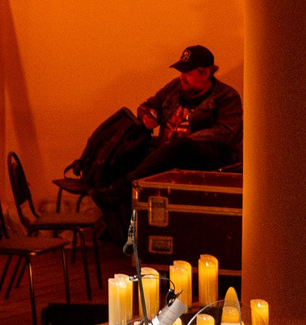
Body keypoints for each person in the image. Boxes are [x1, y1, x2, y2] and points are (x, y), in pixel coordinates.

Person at [68, 46, 244, 242]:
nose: (182, 77)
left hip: (204, 157)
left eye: (187, 73)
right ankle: (120, 226)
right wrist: (148, 116)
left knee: (179, 146)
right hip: (165, 151)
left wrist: (187, 135)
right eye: (181, 72)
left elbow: (226, 133)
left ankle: (124, 188)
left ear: (205, 73)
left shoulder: (226, 97)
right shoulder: (174, 88)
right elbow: (149, 105)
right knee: (129, 147)